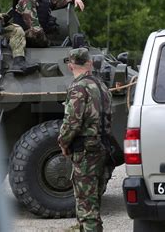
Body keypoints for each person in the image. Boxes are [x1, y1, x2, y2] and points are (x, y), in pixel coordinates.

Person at [58, 47, 112, 232]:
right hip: (103, 148)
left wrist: (63, 143)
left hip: (85, 153)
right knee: (93, 203)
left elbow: (72, 122)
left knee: (86, 210)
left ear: (70, 65)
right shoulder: (102, 86)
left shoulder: (78, 87)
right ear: (89, 63)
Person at [12, 0, 85, 47]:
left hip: (39, 37)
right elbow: (34, 27)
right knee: (37, 32)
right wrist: (48, 43)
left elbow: (56, 1)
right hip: (25, 36)